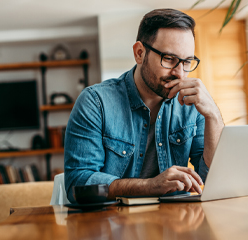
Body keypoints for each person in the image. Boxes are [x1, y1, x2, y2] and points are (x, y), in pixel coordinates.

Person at [64, 8, 224, 203]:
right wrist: (151, 186)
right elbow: (77, 184)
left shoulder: (193, 104)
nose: (180, 73)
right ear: (140, 53)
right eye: (169, 59)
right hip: (112, 225)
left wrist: (213, 116)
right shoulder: (95, 102)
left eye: (187, 62)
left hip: (176, 226)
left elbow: (214, 178)